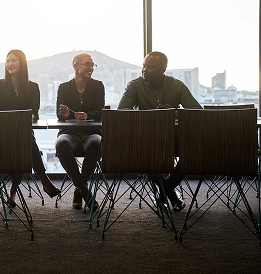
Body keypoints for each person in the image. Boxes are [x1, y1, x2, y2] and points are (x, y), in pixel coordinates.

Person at [117, 51, 203, 212]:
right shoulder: (135, 85)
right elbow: (122, 111)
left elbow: (197, 111)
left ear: (163, 69)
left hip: (173, 135)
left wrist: (173, 111)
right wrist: (150, 115)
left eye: (150, 67)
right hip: (146, 137)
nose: (144, 70)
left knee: (194, 152)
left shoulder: (177, 86)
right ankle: (171, 194)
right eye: (143, 66)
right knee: (142, 155)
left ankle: (164, 191)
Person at [0, 50, 60, 208]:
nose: (10, 64)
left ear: (22, 63)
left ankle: (13, 192)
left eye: (14, 60)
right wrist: (20, 119)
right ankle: (44, 180)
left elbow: (35, 113)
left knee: (24, 141)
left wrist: (31, 118)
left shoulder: (33, 87)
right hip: (3, 135)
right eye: (8, 60)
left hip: (23, 134)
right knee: (26, 143)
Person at [55, 53, 104, 210]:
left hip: (91, 132)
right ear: (76, 66)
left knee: (97, 143)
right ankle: (84, 191)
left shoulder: (97, 86)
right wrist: (64, 114)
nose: (91, 68)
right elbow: (59, 114)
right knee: (61, 144)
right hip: (70, 132)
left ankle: (79, 189)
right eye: (88, 64)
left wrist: (87, 115)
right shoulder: (64, 87)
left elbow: (100, 112)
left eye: (92, 65)